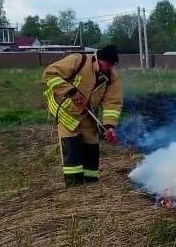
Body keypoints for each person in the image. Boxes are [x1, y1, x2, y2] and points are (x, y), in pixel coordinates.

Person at [42, 44, 123, 187]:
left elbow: (113, 102)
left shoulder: (112, 76)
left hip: (88, 115)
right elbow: (50, 74)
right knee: (72, 149)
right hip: (67, 112)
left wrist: (109, 125)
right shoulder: (78, 60)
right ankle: (74, 187)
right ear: (98, 59)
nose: (109, 68)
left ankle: (91, 186)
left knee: (91, 150)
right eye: (107, 64)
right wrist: (70, 91)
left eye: (112, 65)